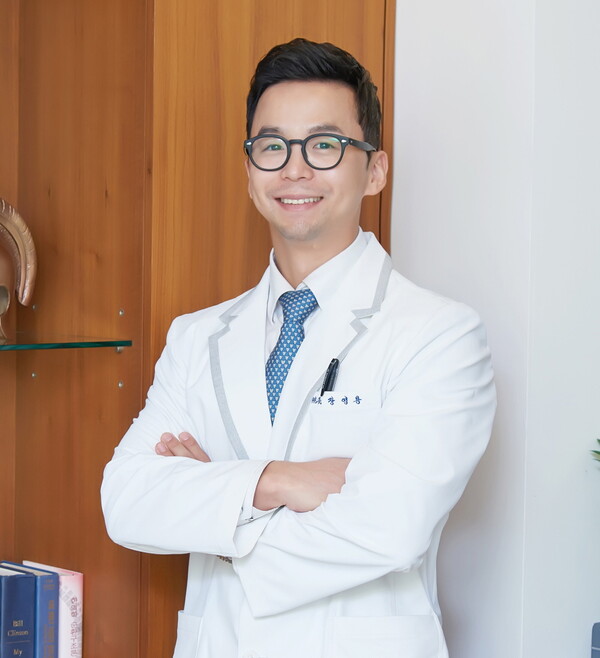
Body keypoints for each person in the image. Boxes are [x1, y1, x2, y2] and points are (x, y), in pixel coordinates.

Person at [101, 38, 496, 658]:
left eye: (324, 145)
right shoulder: (196, 336)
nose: (294, 169)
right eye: (272, 146)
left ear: (375, 170)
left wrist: (213, 509)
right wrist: (277, 480)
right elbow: (126, 502)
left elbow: (389, 529)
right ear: (249, 170)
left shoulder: (439, 335)